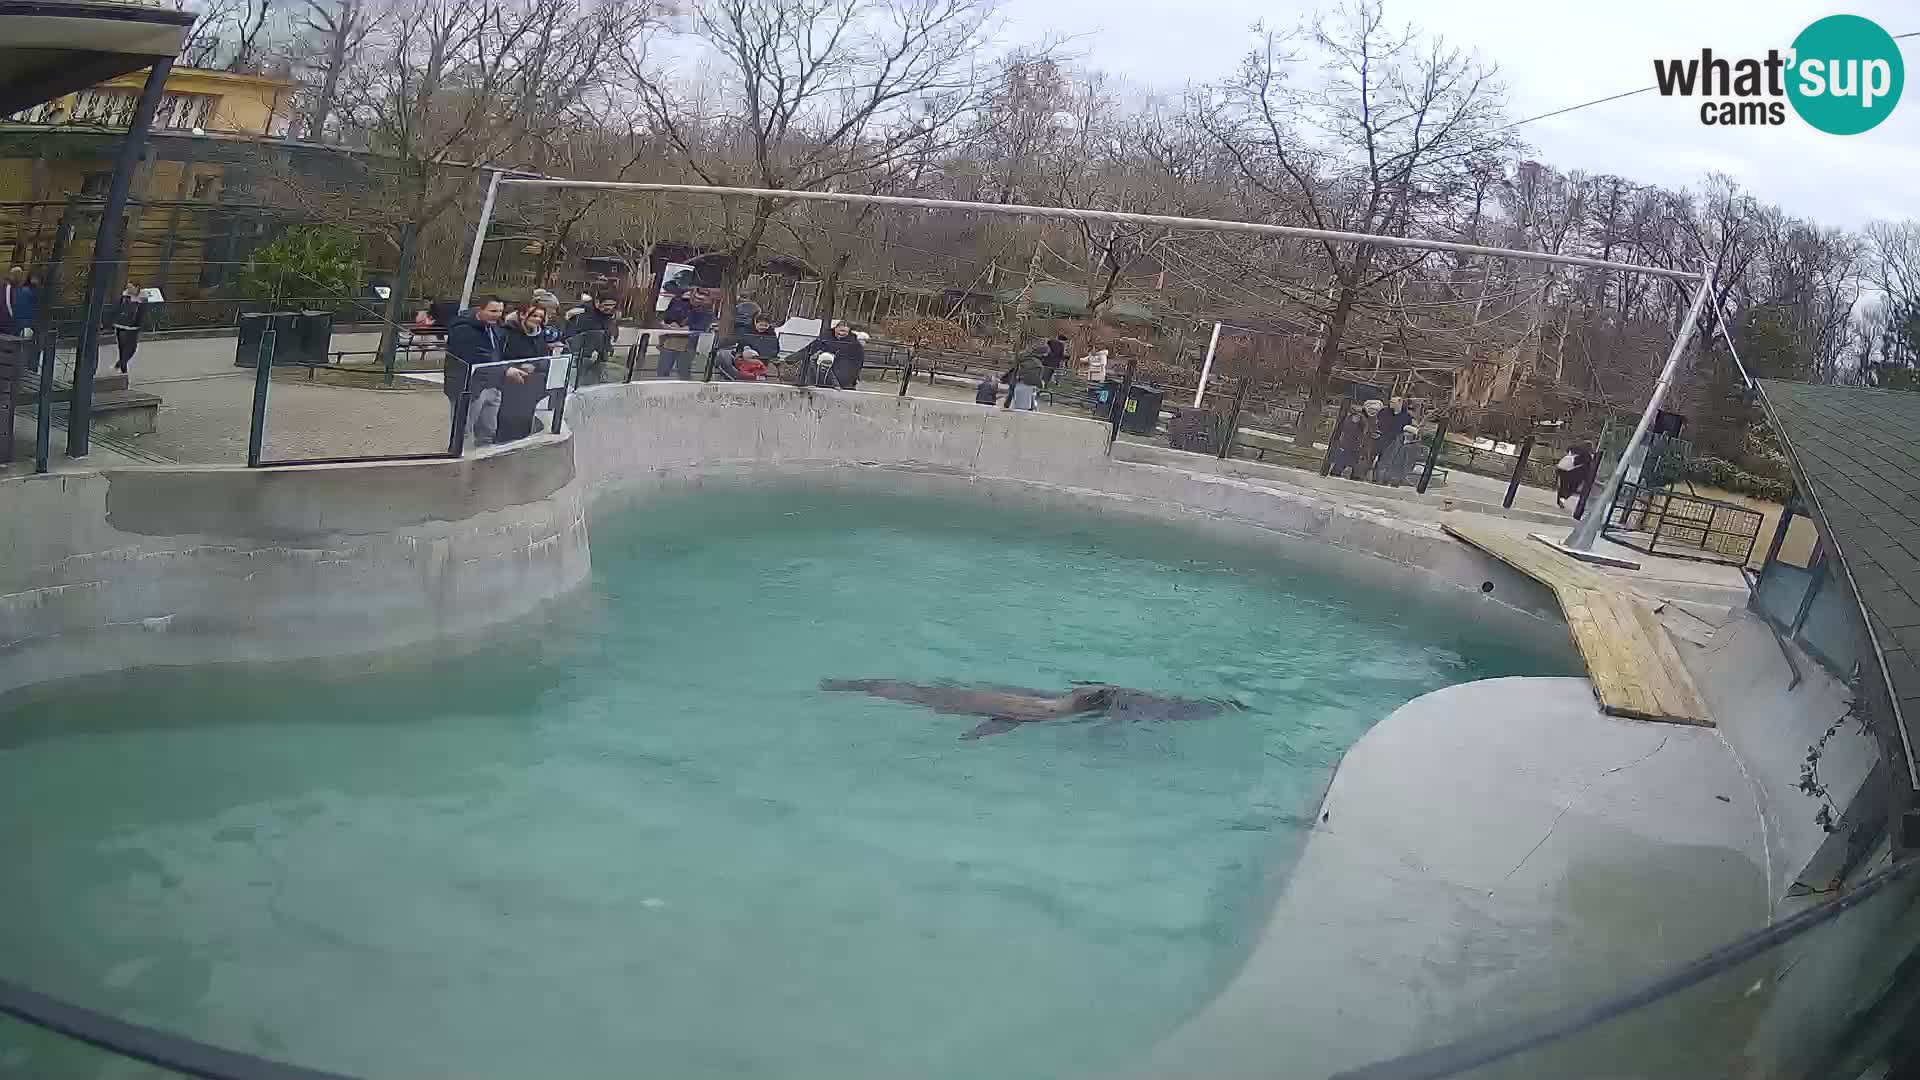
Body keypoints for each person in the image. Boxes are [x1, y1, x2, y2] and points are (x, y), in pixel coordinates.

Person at [444, 296, 506, 445]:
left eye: (500, 311)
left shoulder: (494, 327)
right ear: (480, 309)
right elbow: (475, 357)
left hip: (491, 384)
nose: (497, 315)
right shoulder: (463, 329)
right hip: (468, 387)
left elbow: (495, 353)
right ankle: (457, 463)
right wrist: (505, 371)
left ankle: (483, 464)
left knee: (488, 432)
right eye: (492, 311)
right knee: (462, 432)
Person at [494, 304, 553, 443]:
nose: (538, 319)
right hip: (510, 385)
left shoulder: (540, 335)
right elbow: (497, 357)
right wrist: (514, 367)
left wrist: (536, 365)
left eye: (540, 317)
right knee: (506, 421)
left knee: (524, 422)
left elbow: (546, 358)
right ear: (522, 315)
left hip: (531, 386)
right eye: (534, 315)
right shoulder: (506, 333)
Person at [789, 320, 865, 389]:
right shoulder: (826, 337)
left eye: (844, 331)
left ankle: (837, 384)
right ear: (835, 328)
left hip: (843, 370)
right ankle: (810, 383)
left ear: (848, 332)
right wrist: (791, 358)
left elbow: (858, 360)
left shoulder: (854, 343)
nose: (841, 333)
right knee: (813, 361)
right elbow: (810, 349)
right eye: (840, 330)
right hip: (822, 367)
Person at [564, 292, 620, 383]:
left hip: (600, 358)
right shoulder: (581, 314)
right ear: (597, 302)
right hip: (580, 357)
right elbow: (570, 336)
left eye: (612, 305)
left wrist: (609, 347)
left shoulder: (609, 317)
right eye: (606, 305)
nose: (609, 308)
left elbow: (610, 334)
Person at [715, 312, 781, 380]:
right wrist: (746, 351)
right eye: (761, 325)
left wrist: (770, 356)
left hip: (766, 362)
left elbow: (775, 349)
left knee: (773, 373)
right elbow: (741, 346)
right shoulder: (747, 333)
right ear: (755, 323)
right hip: (747, 362)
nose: (763, 327)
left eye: (765, 325)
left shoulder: (772, 335)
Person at [110, 282, 148, 373]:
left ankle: (121, 364)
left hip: (133, 328)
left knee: (131, 349)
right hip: (122, 326)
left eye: (131, 287)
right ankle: (123, 370)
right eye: (128, 288)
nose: (129, 289)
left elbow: (143, 313)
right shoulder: (124, 297)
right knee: (123, 349)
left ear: (137, 287)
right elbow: (117, 309)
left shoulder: (143, 298)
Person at [1372, 396, 1413, 481]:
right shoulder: (1384, 411)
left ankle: (1380, 478)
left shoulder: (1406, 416)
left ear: (1399, 403)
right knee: (1373, 456)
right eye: (1391, 402)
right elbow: (1377, 421)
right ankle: (1372, 476)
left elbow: (1406, 427)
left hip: (1394, 439)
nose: (1391, 404)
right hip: (1381, 436)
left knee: (1387, 459)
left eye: (1393, 402)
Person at [656, 290, 694, 378]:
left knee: (683, 372)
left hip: (683, 345)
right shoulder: (676, 301)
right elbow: (664, 319)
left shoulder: (696, 307)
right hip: (670, 343)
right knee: (663, 372)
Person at [1329, 402, 1371, 479]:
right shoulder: (1358, 418)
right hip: (1352, 443)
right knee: (1347, 459)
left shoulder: (1357, 418)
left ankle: (1340, 473)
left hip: (1352, 443)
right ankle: (1353, 475)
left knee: (1348, 460)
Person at [1556, 443, 1595, 511]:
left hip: (1563, 469)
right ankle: (1562, 499)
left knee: (1563, 486)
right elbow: (1587, 467)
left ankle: (1561, 499)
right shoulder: (1587, 456)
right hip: (1574, 474)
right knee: (1572, 488)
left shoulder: (1575, 449)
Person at [1, 266, 37, 339]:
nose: (18, 276)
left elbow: (29, 310)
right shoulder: (6, 289)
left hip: (19, 328)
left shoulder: (25, 291)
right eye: (16, 274)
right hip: (8, 329)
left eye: (20, 274)